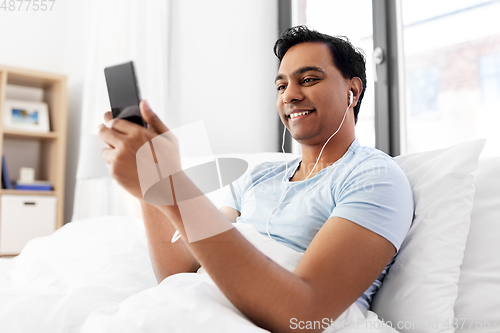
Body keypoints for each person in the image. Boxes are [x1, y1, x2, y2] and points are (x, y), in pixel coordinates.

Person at [99, 25, 413, 333]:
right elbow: (182, 271)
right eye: (280, 86)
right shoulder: (258, 177)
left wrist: (174, 187)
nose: (289, 95)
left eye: (308, 79)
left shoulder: (374, 177)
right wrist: (151, 182)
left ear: (352, 91)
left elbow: (303, 314)